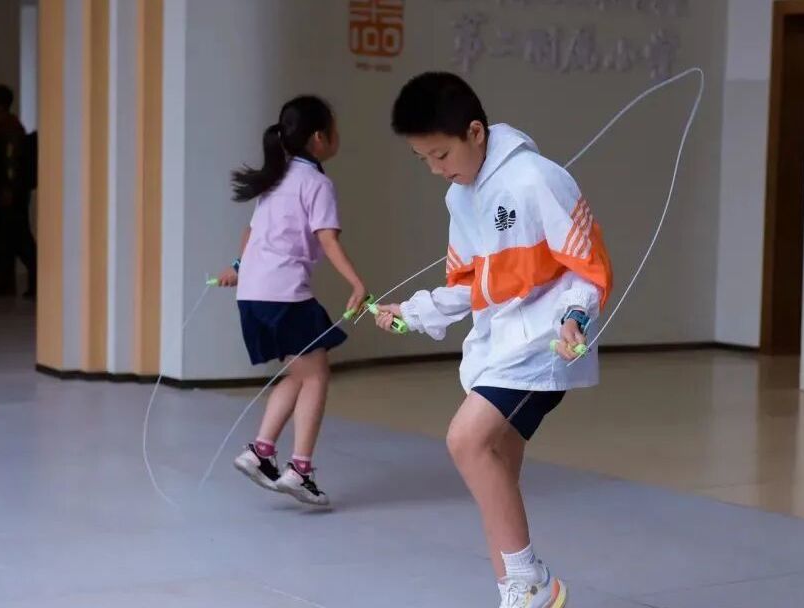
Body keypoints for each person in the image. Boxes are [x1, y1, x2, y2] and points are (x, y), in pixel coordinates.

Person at [378, 72, 612, 608]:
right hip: (496, 346)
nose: (436, 169)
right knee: (496, 469)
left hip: (542, 348)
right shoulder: (460, 199)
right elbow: (469, 285)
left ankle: (532, 582)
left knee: (466, 441)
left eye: (441, 154)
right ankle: (517, 592)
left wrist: (575, 316)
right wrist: (412, 313)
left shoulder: (538, 179)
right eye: (423, 160)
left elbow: (587, 266)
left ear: (476, 132)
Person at [219, 95, 367, 507]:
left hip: (253, 295)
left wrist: (239, 266)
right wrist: (357, 283)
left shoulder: (277, 178)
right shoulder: (316, 183)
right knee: (316, 374)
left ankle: (261, 452)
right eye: (334, 128)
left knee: (300, 372)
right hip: (284, 294)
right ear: (320, 138)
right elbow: (327, 238)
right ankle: (300, 470)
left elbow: (252, 234)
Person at [0, 84, 36, 298]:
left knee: (19, 238)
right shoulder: (5, 126)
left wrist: (8, 189)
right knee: (4, 237)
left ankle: (35, 282)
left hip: (10, 192)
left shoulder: (10, 128)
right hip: (7, 190)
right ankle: (5, 283)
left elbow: (10, 162)